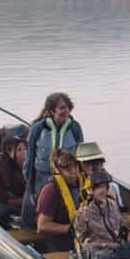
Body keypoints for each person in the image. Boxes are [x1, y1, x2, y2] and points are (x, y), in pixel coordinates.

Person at [22, 92, 83, 228]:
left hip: (68, 176)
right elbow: (30, 156)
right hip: (42, 177)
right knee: (36, 209)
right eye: (61, 108)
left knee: (70, 208)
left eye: (67, 107)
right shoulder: (38, 128)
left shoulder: (75, 128)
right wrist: (28, 179)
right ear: (51, 111)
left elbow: (80, 156)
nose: (65, 111)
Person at [35, 150, 81, 252]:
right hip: (62, 239)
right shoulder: (50, 191)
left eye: (75, 166)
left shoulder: (81, 184)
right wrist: (70, 229)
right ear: (57, 170)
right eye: (67, 168)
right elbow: (42, 226)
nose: (73, 172)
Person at [0, 135, 27, 229]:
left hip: (26, 202)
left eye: (25, 149)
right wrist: (21, 201)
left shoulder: (30, 164)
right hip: (8, 203)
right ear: (9, 152)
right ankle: (10, 224)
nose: (24, 153)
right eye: (19, 150)